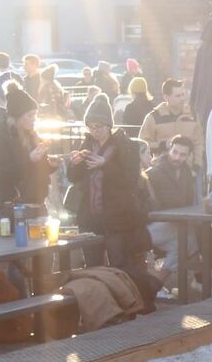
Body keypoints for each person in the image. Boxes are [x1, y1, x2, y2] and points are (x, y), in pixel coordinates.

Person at [68, 94, 151, 269]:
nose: (94, 131)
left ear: (109, 125)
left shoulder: (125, 145)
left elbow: (130, 180)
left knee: (119, 265)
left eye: (98, 126)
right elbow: (73, 178)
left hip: (117, 219)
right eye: (91, 126)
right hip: (90, 219)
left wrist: (105, 165)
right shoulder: (86, 145)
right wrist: (75, 164)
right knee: (93, 266)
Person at [0, 85, 56, 216]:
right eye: (30, 115)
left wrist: (50, 164)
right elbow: (0, 174)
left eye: (35, 115)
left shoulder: (32, 135)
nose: (34, 119)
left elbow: (38, 169)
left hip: (37, 203)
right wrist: (29, 159)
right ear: (17, 117)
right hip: (13, 205)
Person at [147, 134, 198, 289]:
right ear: (169, 149)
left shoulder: (187, 173)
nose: (177, 157)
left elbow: (188, 201)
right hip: (152, 225)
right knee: (191, 238)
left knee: (186, 242)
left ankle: (157, 283)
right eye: (175, 152)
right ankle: (197, 280)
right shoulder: (156, 172)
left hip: (174, 224)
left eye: (182, 154)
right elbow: (165, 202)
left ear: (189, 156)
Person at [139, 77, 202, 170]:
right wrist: (162, 145)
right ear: (166, 97)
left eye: (183, 94)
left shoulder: (193, 115)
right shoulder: (153, 117)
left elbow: (199, 143)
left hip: (188, 170)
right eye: (178, 96)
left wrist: (197, 166)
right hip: (161, 170)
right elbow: (142, 145)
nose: (182, 98)